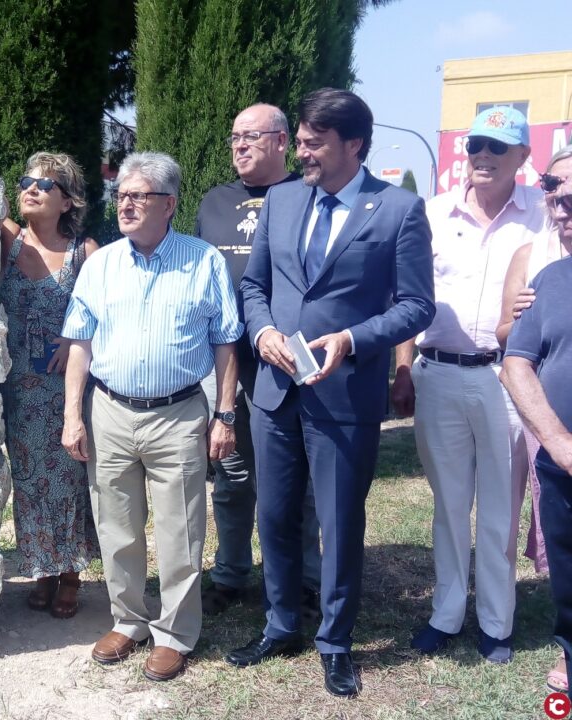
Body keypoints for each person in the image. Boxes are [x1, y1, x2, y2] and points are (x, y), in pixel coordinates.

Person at [230, 88, 435, 697]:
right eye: (299, 141)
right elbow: (255, 286)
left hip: (345, 395)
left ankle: (336, 642)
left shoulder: (398, 210)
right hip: (275, 392)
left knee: (340, 523)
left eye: (314, 143)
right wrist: (262, 331)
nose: (302, 153)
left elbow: (417, 305)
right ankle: (280, 625)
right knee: (274, 515)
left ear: (354, 144)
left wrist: (351, 339)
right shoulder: (283, 198)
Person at [61, 151, 241, 682]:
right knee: (116, 526)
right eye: (121, 196)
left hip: (178, 414)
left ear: (169, 204)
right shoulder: (100, 265)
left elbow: (226, 342)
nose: (126, 205)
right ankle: (129, 620)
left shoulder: (203, 261)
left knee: (180, 530)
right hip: (110, 412)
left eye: (139, 196)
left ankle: (175, 634)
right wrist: (73, 416)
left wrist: (225, 415)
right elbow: (80, 343)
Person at [391, 107, 549, 664]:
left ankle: (497, 623)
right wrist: (403, 368)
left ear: (522, 157)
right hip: (437, 373)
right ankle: (447, 612)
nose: (483, 155)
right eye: (476, 144)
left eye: (497, 147)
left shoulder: (543, 215)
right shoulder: (433, 213)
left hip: (509, 377)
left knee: (502, 507)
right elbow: (407, 297)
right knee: (450, 503)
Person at [195, 103, 321, 616]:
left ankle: (304, 579)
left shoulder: (308, 195)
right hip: (227, 361)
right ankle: (230, 572)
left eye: (250, 136)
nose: (239, 145)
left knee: (299, 479)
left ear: (282, 141)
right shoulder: (214, 202)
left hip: (288, 361)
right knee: (231, 473)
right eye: (234, 137)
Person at [0, 151, 99, 618]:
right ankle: (42, 569)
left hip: (67, 390)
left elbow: (106, 314)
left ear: (68, 201)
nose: (31, 190)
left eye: (45, 185)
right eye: (26, 182)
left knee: (69, 480)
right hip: (19, 390)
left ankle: (71, 574)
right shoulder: (7, 240)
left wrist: (73, 339)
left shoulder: (85, 252)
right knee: (28, 480)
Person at [495, 145, 572, 691]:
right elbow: (515, 362)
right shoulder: (550, 278)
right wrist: (560, 442)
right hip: (561, 458)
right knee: (567, 564)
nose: (561, 209)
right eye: (555, 197)